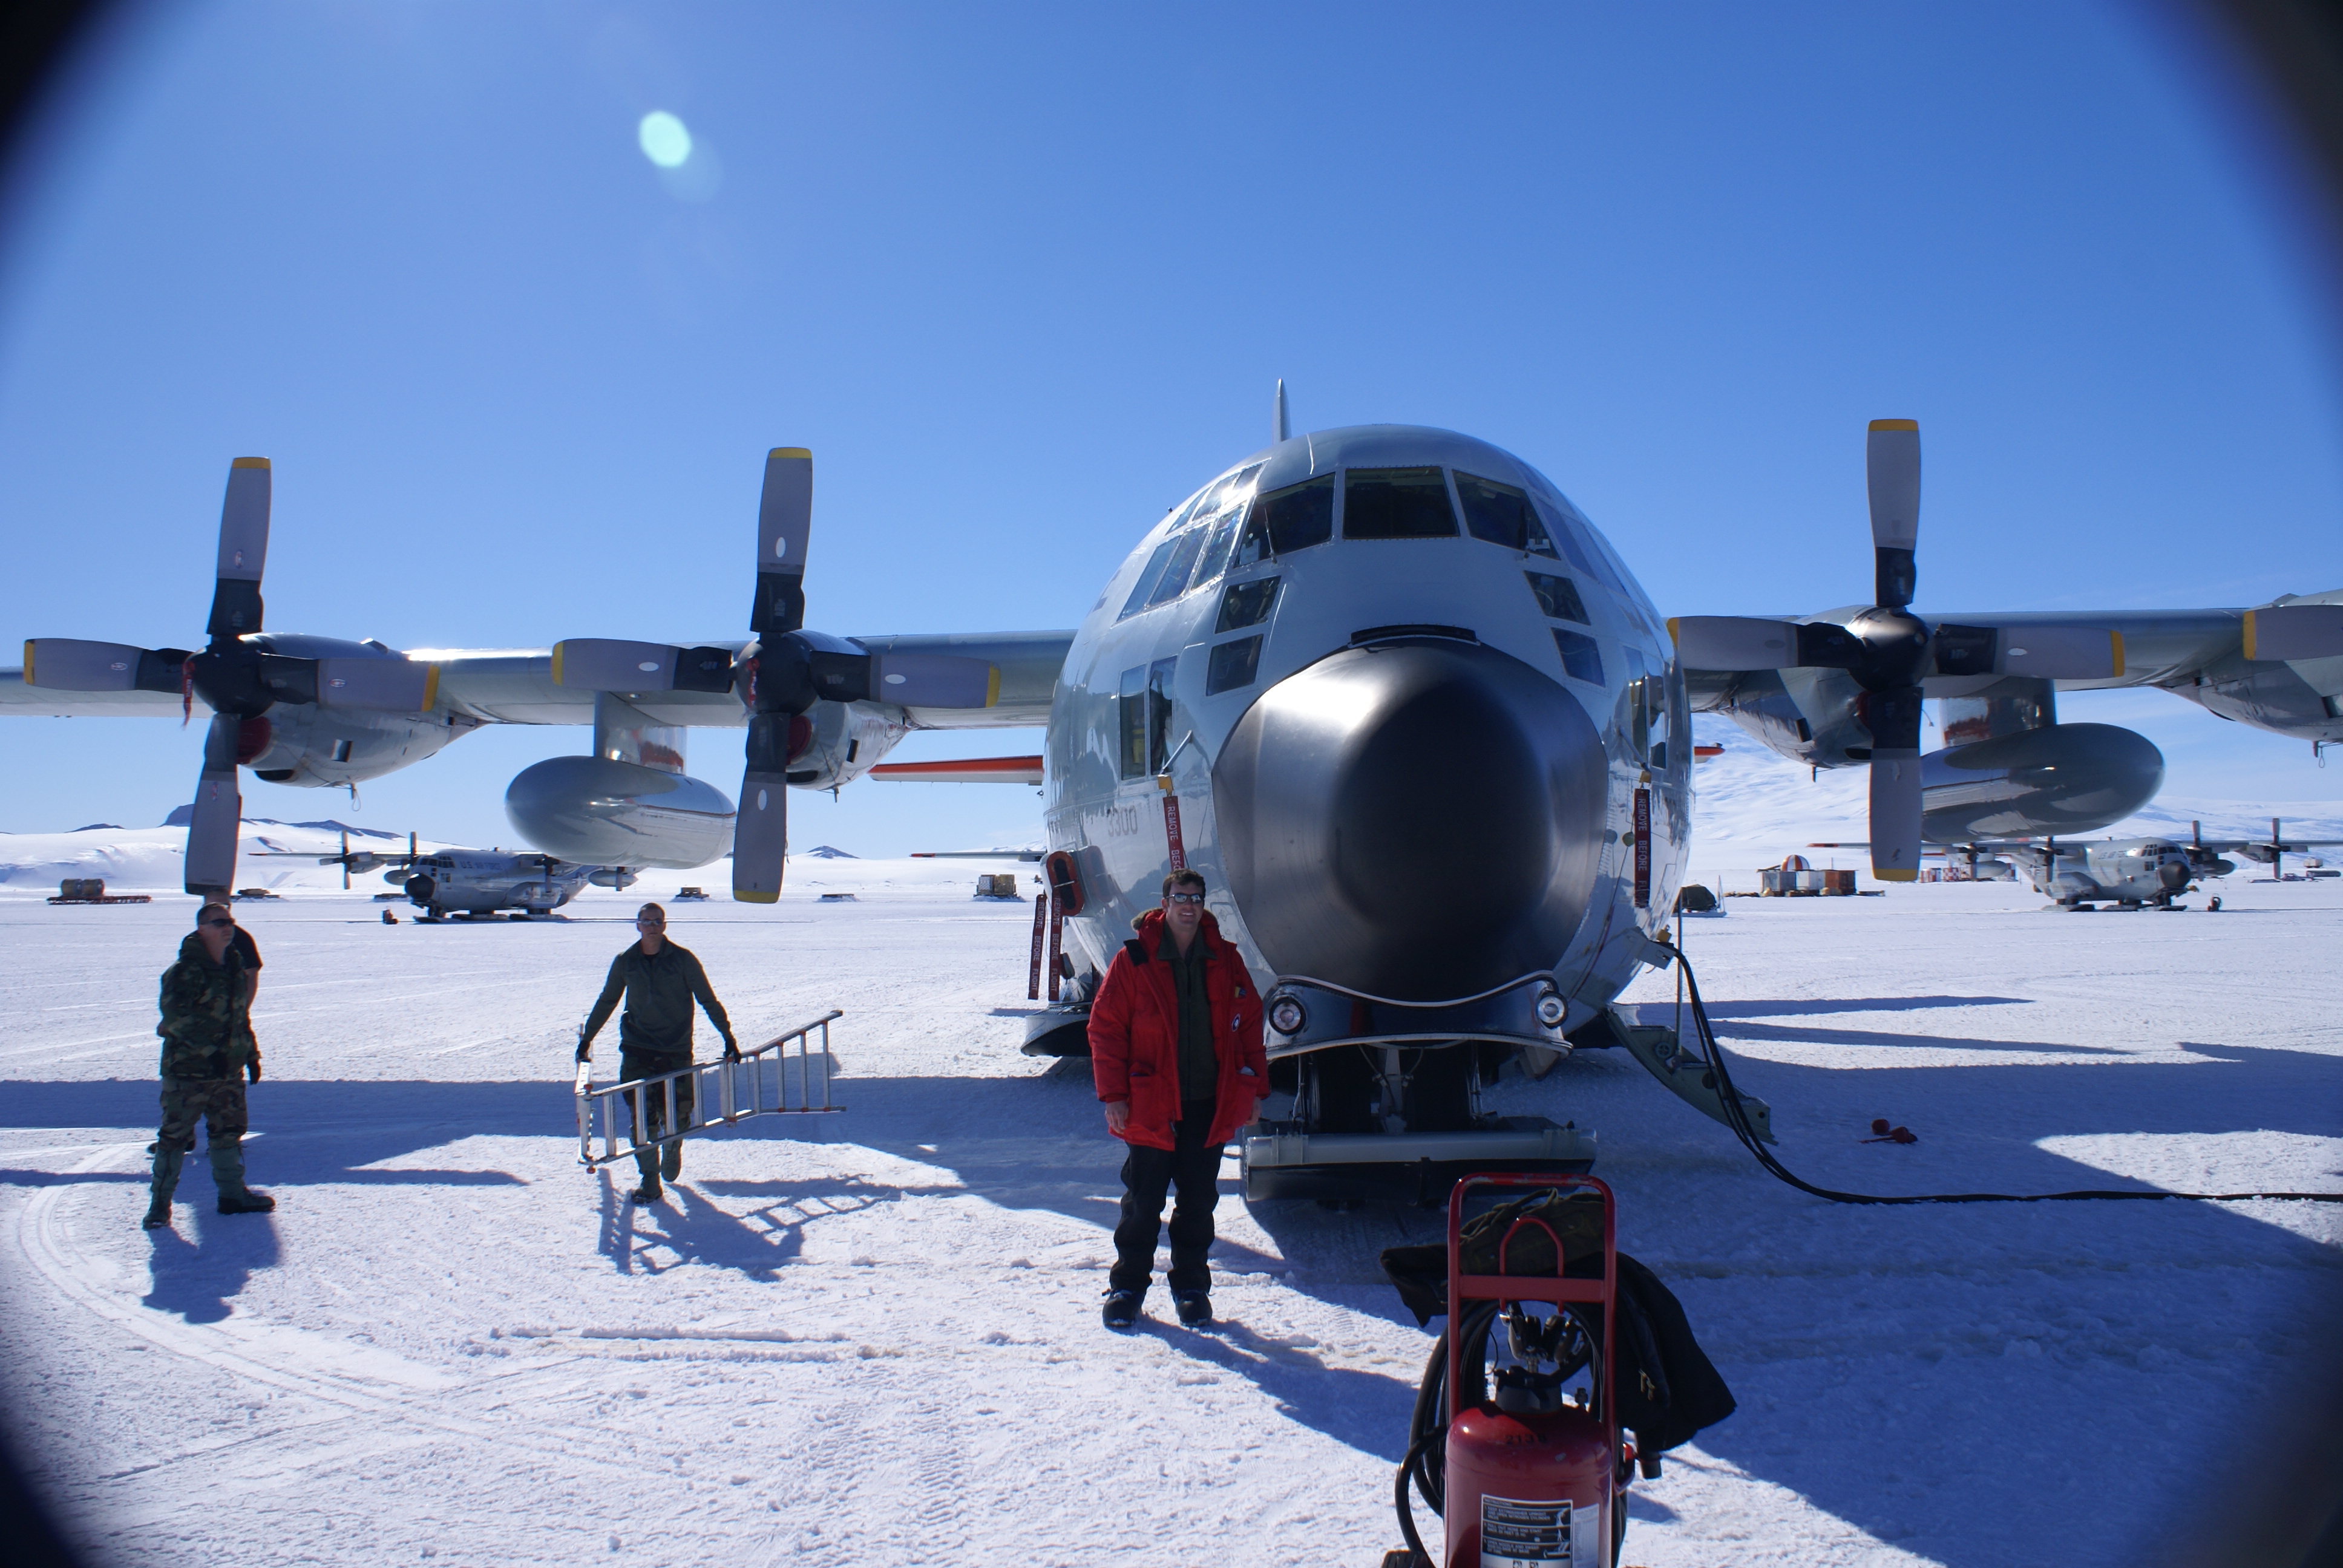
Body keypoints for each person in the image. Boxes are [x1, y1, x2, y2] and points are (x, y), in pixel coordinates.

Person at [1089, 869, 1267, 1330]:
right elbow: (1106, 1029)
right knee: (1142, 1203)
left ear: (1203, 904)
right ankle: (1127, 1287)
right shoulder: (1134, 960)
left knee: (1198, 1203)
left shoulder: (1225, 959)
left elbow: (1249, 1026)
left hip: (1208, 1102)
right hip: (1151, 1103)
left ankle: (1191, 1289)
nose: (1188, 906)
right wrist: (1114, 1095)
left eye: (1196, 898)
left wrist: (1256, 1091)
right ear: (1164, 903)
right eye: (1180, 897)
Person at [577, 903, 738, 1205]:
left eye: (657, 921)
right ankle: (650, 1181)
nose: (652, 926)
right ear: (638, 925)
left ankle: (673, 1147)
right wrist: (587, 1039)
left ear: (664, 926)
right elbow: (608, 1000)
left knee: (677, 1116)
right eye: (646, 921)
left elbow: (707, 999)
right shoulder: (626, 961)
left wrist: (727, 1036)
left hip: (675, 1051)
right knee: (642, 1119)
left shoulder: (683, 960)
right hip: (637, 1050)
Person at [145, 901, 274, 1229]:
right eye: (219, 923)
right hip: (188, 1073)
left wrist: (250, 1054)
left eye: (229, 921)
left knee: (228, 1134)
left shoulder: (233, 967)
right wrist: (210, 1051)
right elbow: (176, 1020)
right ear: (202, 929)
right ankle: (159, 1208)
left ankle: (232, 1196)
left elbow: (239, 1016)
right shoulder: (184, 972)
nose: (227, 927)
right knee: (174, 1139)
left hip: (227, 1071)